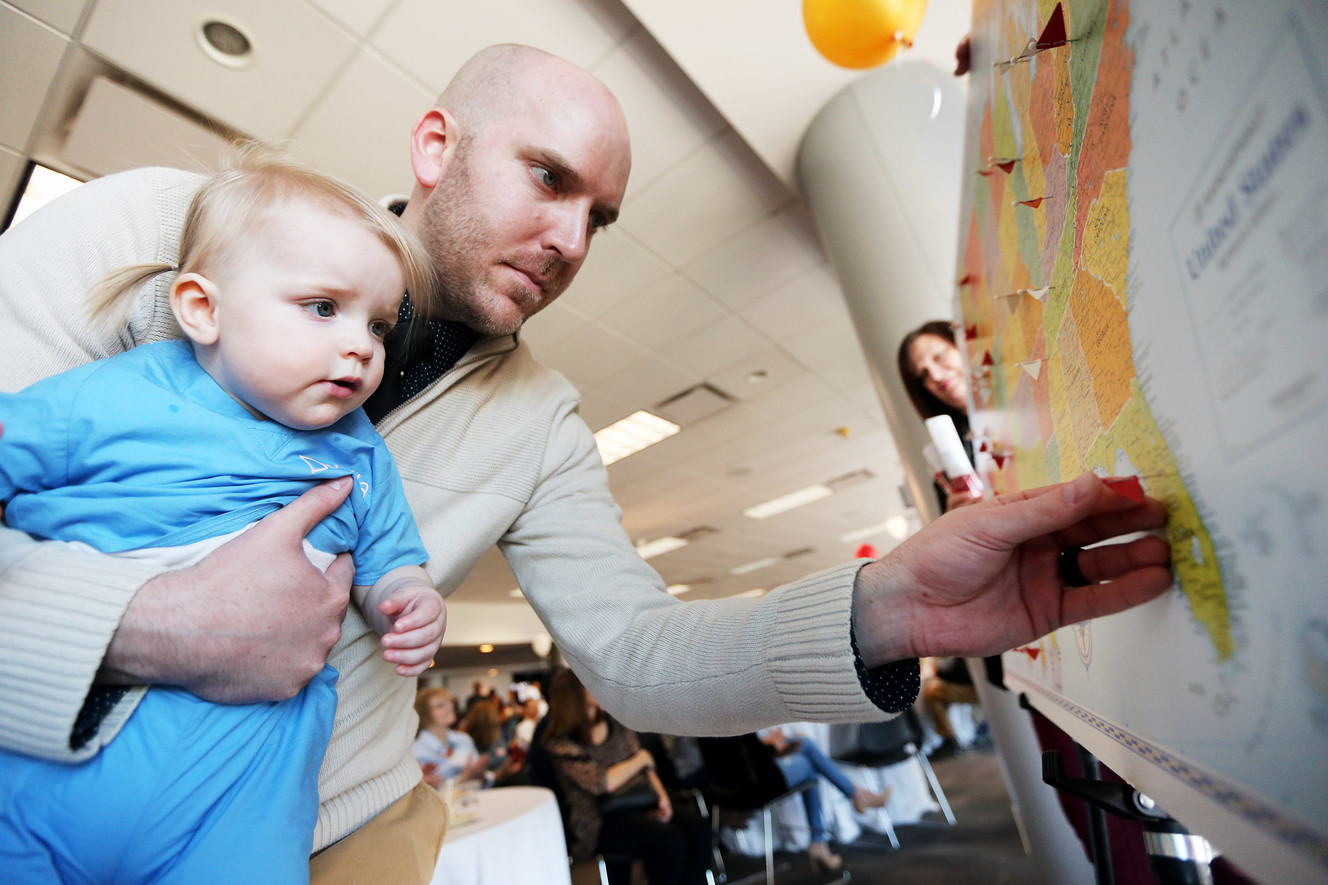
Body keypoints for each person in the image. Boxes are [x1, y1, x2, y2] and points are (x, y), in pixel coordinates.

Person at [0, 43, 1173, 884]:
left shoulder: (542, 419)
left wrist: (883, 610)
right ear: (435, 146)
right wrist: (146, 624)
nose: (569, 242)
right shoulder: (165, 232)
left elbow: (636, 655)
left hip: (323, 835)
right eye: (548, 178)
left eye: (600, 217)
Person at [0, 147, 447, 883]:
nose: (359, 346)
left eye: (377, 325)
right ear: (203, 309)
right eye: (324, 307)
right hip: (53, 770)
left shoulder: (360, 456)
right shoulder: (122, 391)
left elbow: (388, 558)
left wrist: (407, 597)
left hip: (240, 801)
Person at [543, 667, 711, 885]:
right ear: (573, 695)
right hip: (598, 819)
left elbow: (645, 769)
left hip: (638, 801)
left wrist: (662, 798)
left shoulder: (615, 723)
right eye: (589, 684)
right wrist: (640, 758)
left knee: (698, 828)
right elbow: (603, 782)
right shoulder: (561, 744)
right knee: (670, 842)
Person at [756, 726, 889, 872]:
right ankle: (855, 797)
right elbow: (754, 751)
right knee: (807, 755)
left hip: (746, 783)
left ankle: (820, 841)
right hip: (760, 780)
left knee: (806, 753)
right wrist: (777, 744)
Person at [897, 319, 982, 512]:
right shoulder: (946, 461)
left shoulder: (1027, 406)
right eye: (923, 375)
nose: (935, 375)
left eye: (939, 356)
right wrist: (954, 515)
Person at [412, 688, 489, 787]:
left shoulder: (464, 739)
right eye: (440, 706)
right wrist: (462, 779)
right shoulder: (415, 750)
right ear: (425, 714)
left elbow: (480, 775)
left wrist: (480, 774)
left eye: (449, 703)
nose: (450, 707)